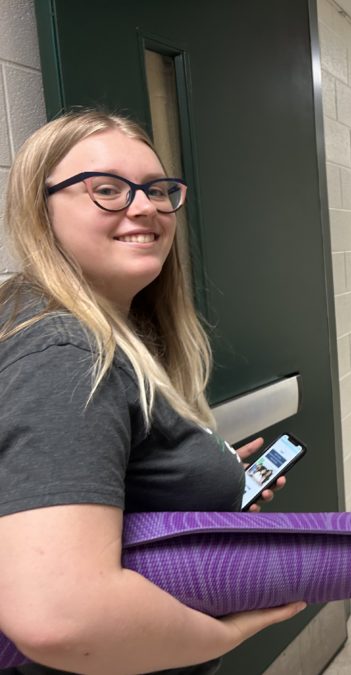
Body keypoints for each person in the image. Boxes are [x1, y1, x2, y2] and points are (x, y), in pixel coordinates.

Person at [0, 110, 305, 674]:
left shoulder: (94, 330)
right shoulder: (68, 352)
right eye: (108, 190)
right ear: (39, 210)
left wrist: (196, 479)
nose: (145, 208)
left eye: (159, 190)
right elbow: (59, 616)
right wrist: (221, 636)